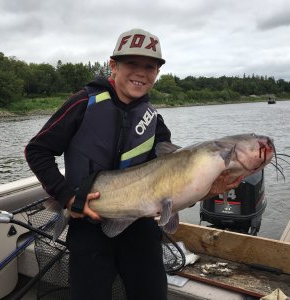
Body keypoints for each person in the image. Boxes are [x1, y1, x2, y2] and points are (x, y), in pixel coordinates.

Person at [25, 28, 241, 300]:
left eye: (149, 67)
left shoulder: (154, 121)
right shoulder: (83, 103)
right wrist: (66, 197)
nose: (141, 73)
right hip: (87, 227)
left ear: (157, 73)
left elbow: (170, 179)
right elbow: (37, 150)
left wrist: (206, 188)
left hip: (140, 229)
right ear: (113, 65)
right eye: (132, 64)